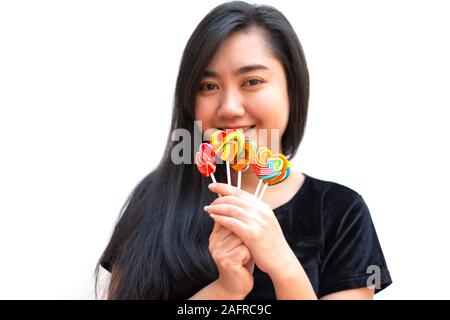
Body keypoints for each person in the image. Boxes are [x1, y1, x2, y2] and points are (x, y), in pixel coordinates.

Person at [96, 1, 392, 299]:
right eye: (209, 86)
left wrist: (282, 263)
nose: (229, 108)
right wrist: (226, 289)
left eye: (252, 81)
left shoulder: (341, 211)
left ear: (292, 88)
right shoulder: (156, 197)